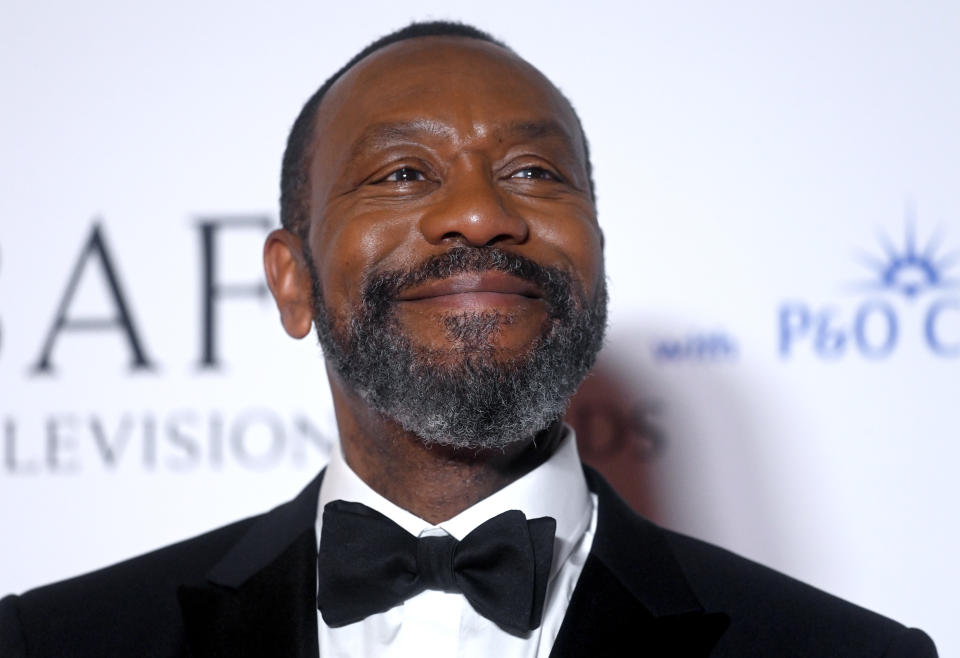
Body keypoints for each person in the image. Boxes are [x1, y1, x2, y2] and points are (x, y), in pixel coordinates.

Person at [0, 21, 938, 658]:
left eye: (534, 171)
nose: (481, 213)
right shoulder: (56, 643)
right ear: (292, 278)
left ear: (596, 259)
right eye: (404, 172)